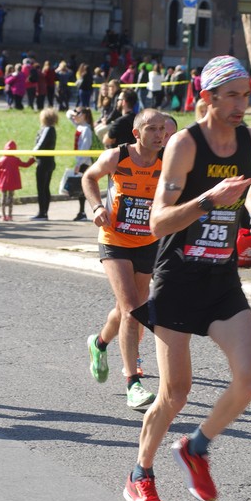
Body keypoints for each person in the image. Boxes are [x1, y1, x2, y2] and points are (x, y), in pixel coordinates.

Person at [123, 56, 251, 501]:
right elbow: (156, 221)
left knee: (250, 377)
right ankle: (140, 474)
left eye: (246, 94)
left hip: (222, 277)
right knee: (175, 393)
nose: (242, 104)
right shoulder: (185, 145)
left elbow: (250, 183)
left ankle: (196, 447)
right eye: (232, 95)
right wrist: (206, 201)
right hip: (179, 278)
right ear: (206, 97)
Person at [82, 109, 168, 409]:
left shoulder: (169, 161)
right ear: (137, 132)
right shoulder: (117, 157)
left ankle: (99, 343)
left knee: (127, 308)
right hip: (114, 240)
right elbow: (88, 178)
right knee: (133, 310)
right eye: (152, 129)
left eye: (163, 130)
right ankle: (134, 383)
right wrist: (95, 208)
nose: (159, 135)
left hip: (149, 242)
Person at [29, 108, 58, 220]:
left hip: (44, 162)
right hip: (49, 161)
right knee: (45, 187)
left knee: (42, 188)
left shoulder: (48, 129)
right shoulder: (50, 129)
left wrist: (32, 153)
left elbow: (41, 144)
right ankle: (44, 212)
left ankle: (42, 212)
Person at [66, 107, 94, 221]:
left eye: (78, 113)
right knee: (79, 186)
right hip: (80, 161)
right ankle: (81, 212)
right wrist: (75, 112)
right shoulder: (79, 126)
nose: (75, 116)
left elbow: (85, 148)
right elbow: (68, 114)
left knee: (82, 187)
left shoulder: (86, 129)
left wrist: (79, 163)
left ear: (84, 115)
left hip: (84, 162)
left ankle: (82, 212)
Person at [0, 141, 34, 221]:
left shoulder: (1, 159)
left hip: (3, 182)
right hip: (12, 182)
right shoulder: (15, 159)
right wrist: (32, 159)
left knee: (3, 197)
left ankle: (3, 215)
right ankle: (10, 215)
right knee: (11, 197)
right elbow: (26, 165)